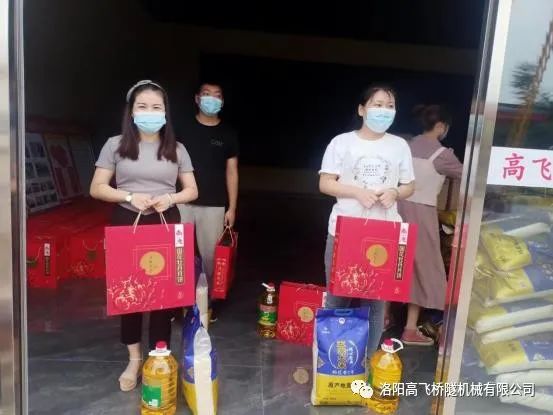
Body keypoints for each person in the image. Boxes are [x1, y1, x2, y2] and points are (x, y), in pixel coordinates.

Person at [90, 80, 198, 391]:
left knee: (165, 296)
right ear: (131, 111)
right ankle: (134, 360)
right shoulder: (115, 145)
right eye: (142, 106)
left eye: (156, 107)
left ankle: (157, 357)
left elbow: (192, 190)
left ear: (165, 112)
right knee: (130, 294)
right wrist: (128, 196)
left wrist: (171, 198)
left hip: (165, 222)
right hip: (128, 221)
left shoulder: (177, 149)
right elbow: (97, 188)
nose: (149, 112)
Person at [319, 85, 415, 354]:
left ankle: (367, 362)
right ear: (362, 110)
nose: (384, 111)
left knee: (375, 304)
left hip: (384, 233)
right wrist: (357, 192)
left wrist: (395, 192)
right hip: (345, 231)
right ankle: (332, 363)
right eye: (378, 104)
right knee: (338, 298)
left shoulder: (399, 145)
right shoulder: (341, 142)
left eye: (390, 106)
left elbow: (409, 185)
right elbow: (325, 183)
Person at [397, 104, 463, 346]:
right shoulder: (442, 155)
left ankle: (381, 318)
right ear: (441, 126)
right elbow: (469, 176)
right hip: (421, 214)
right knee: (423, 269)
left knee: (391, 265)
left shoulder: (403, 146)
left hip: (394, 210)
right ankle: (410, 329)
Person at [178, 81, 239, 320]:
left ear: (222, 101)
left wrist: (232, 207)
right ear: (197, 98)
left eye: (217, 95)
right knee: (178, 255)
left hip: (214, 204)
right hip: (181, 201)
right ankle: (179, 303)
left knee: (211, 258)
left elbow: (232, 172)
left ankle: (207, 304)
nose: (211, 99)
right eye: (206, 94)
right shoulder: (182, 128)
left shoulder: (228, 133)